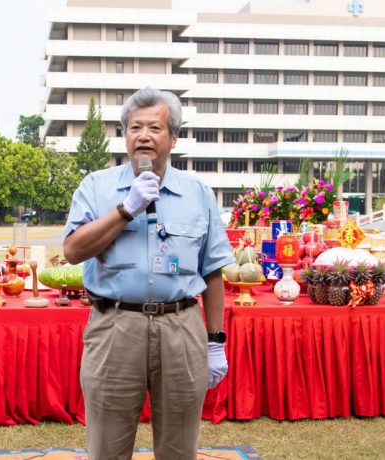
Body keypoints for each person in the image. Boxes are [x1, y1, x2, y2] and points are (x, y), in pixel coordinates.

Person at [63, 87, 234, 460]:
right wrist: (127, 208)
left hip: (181, 327)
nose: (143, 135)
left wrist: (215, 341)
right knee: (107, 446)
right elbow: (73, 251)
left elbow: (214, 272)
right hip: (115, 327)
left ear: (173, 137)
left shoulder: (198, 193)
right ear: (124, 135)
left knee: (179, 447)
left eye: (155, 128)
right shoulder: (96, 186)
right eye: (134, 127)